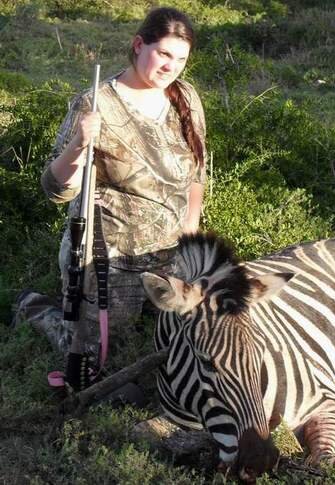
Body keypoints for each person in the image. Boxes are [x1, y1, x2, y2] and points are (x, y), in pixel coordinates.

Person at [13, 7, 207, 390]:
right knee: (97, 368)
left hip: (172, 257)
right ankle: (36, 307)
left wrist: (191, 229)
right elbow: (55, 188)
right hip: (108, 263)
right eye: (164, 54)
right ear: (138, 45)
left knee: (184, 351)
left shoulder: (186, 97)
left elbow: (197, 171)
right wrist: (79, 145)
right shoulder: (94, 104)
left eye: (181, 58)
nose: (172, 66)